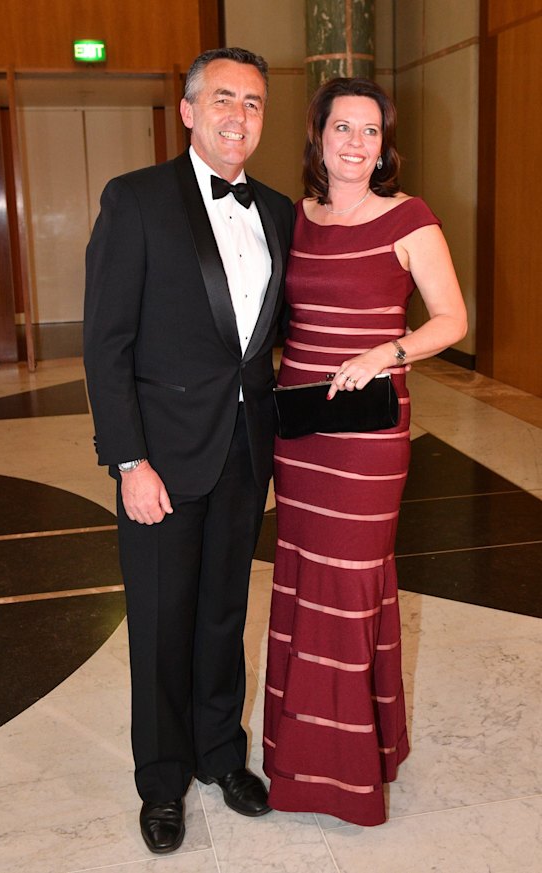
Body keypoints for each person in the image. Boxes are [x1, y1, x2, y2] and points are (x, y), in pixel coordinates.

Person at [84, 47, 294, 854]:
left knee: (223, 612)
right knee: (161, 622)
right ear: (188, 111)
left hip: (244, 447)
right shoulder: (135, 200)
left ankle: (220, 753)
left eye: (253, 103)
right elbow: (106, 345)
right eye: (223, 99)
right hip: (162, 461)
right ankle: (162, 778)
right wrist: (129, 462)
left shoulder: (277, 210)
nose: (238, 116)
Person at [263, 77, 467, 827]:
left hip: (368, 436)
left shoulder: (410, 219)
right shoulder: (295, 218)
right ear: (318, 137)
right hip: (301, 431)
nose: (355, 142)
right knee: (303, 578)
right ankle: (307, 751)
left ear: (385, 146)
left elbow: (451, 319)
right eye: (342, 127)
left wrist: (387, 350)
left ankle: (344, 771)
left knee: (350, 583)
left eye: (370, 130)